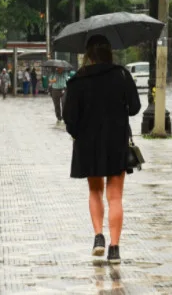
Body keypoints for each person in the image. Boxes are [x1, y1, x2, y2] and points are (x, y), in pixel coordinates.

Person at [63, 34, 141, 264]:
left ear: (88, 54)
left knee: (95, 190)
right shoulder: (121, 74)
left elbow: (69, 118)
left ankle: (98, 237)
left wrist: (79, 134)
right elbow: (135, 108)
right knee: (115, 196)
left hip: (88, 143)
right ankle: (115, 249)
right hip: (115, 141)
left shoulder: (77, 79)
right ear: (109, 51)